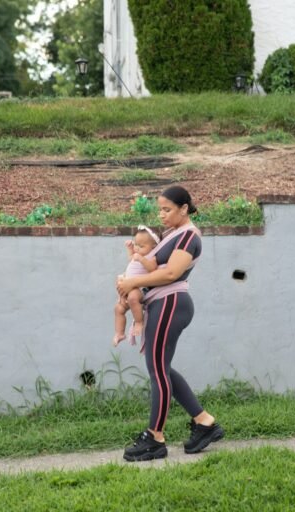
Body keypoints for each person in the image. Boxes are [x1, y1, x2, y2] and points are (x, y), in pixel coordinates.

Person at [115, 185, 224, 462]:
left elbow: (172, 273)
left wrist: (133, 283)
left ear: (184, 209)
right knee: (161, 368)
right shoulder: (173, 235)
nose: (161, 215)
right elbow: (151, 267)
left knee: (157, 370)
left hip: (171, 304)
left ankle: (155, 438)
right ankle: (204, 422)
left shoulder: (188, 236)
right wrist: (128, 285)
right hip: (164, 304)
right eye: (160, 209)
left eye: (167, 209)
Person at [113, 226, 160, 347]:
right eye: (136, 244)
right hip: (128, 288)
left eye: (141, 246)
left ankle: (139, 322)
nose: (137, 248)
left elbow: (152, 268)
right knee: (118, 309)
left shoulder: (152, 257)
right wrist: (130, 249)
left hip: (139, 289)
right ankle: (120, 333)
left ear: (154, 247)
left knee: (133, 298)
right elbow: (131, 260)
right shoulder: (137, 254)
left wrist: (142, 259)